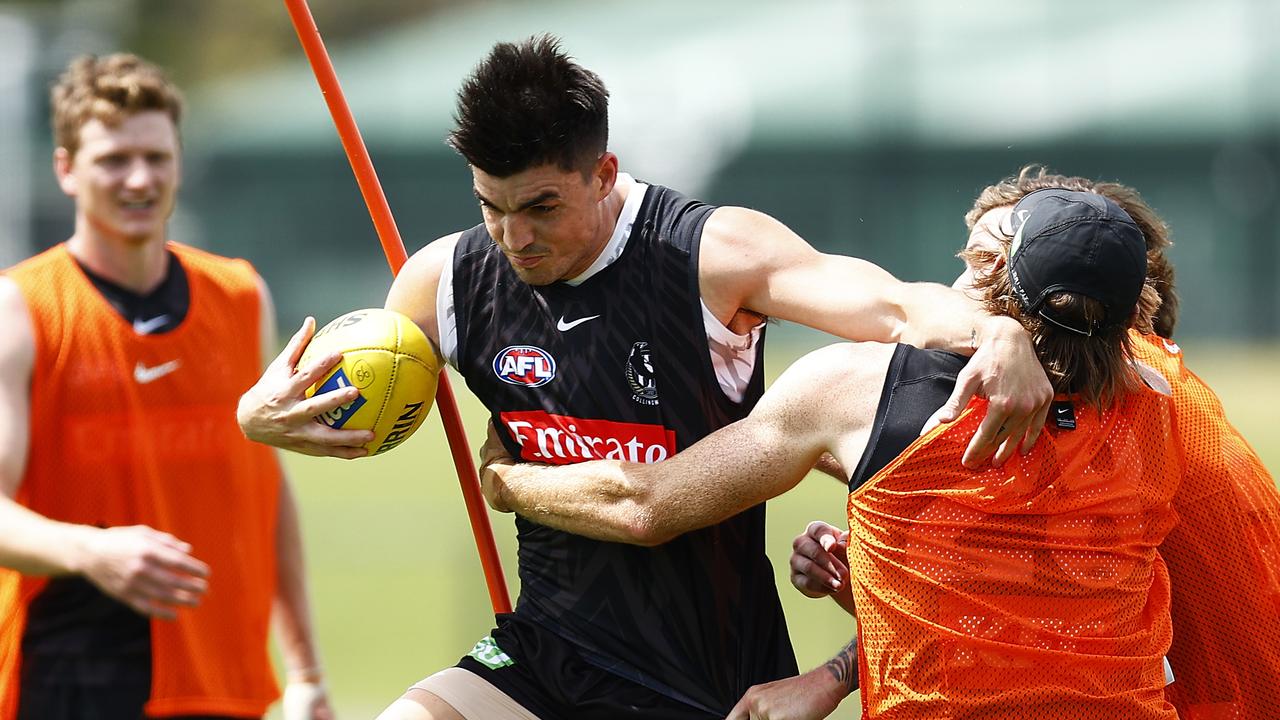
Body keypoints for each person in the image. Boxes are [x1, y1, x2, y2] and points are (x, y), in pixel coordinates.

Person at [236, 36, 1055, 720]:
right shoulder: (442, 281)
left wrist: (998, 330)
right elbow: (348, 396)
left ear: (602, 173)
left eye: (542, 206)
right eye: (492, 205)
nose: (514, 237)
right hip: (543, 652)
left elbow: (891, 304)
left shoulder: (710, 255)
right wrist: (262, 417)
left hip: (704, 681)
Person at [483, 169, 1280, 718]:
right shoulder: (1167, 411)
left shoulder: (861, 391)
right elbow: (1028, 620)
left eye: (978, 264)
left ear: (1001, 290)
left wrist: (507, 483)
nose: (951, 283)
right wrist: (848, 649)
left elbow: (646, 503)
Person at [0, 54, 333, 720]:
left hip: (223, 674)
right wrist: (92, 551)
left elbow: (267, 487)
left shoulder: (240, 296)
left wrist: (305, 670)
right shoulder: (22, 309)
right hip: (74, 670)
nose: (139, 179)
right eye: (113, 159)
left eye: (156, 157)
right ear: (66, 169)